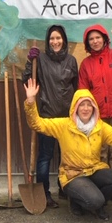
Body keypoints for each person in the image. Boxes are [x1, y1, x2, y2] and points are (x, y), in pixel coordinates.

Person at [24, 78, 112, 221]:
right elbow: (37, 124)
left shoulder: (99, 126)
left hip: (93, 169)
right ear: (75, 108)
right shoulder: (64, 125)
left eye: (89, 105)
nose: (85, 108)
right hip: (72, 174)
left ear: (94, 107)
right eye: (81, 105)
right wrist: (31, 101)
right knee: (95, 200)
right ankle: (80, 201)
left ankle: (96, 202)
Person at [22, 24, 78, 209]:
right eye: (52, 38)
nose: (55, 41)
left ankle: (65, 188)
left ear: (64, 40)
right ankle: (45, 194)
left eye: (58, 38)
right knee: (45, 157)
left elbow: (76, 87)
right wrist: (30, 62)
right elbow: (28, 80)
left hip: (68, 117)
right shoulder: (41, 60)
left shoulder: (71, 61)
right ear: (48, 41)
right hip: (47, 116)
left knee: (66, 156)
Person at [78, 24, 112, 206]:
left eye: (98, 38)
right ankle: (100, 190)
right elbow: (83, 92)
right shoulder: (86, 64)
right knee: (99, 154)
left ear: (104, 38)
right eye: (91, 39)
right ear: (88, 43)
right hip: (97, 116)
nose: (95, 41)